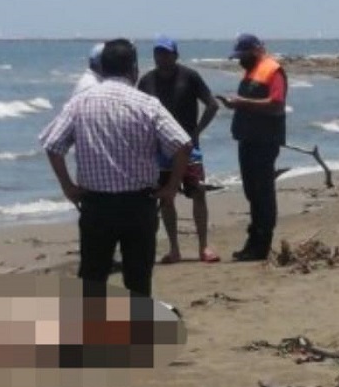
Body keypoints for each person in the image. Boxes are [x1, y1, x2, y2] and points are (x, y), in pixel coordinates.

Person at [39, 38, 192, 297]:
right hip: (138, 204)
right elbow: (183, 145)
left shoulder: (80, 102)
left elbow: (53, 145)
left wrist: (67, 186)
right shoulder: (147, 104)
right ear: (133, 69)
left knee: (92, 277)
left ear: (101, 68)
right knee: (138, 279)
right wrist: (171, 187)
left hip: (96, 205)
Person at [138, 36, 220, 264]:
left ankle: (204, 246)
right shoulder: (146, 81)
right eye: (158, 53)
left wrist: (197, 131)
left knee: (198, 193)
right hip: (160, 151)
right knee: (165, 198)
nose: (161, 57)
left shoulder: (189, 76)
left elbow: (212, 104)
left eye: (166, 53)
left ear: (175, 55)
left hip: (189, 148)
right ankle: (174, 248)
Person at [217, 34, 288, 261]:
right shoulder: (252, 70)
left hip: (265, 141)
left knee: (262, 192)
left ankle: (261, 243)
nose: (239, 61)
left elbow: (276, 104)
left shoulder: (273, 70)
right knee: (251, 191)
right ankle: (253, 240)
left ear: (255, 51)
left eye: (243, 56)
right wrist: (234, 104)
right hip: (247, 139)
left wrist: (241, 103)